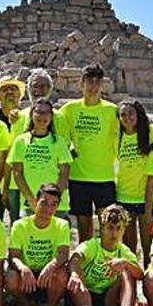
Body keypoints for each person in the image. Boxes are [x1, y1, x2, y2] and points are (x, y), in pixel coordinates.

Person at [66, 204, 145, 306]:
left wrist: (125, 263)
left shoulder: (123, 251)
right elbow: (74, 260)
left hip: (107, 302)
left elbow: (140, 275)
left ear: (124, 230)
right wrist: (74, 274)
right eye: (110, 228)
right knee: (76, 273)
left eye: (118, 228)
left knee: (128, 272)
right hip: (83, 299)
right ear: (102, 228)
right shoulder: (92, 245)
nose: (114, 233)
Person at [60, 64, 119, 242]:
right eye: (89, 82)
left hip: (104, 178)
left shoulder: (112, 110)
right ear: (81, 84)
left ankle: (106, 265)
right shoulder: (68, 110)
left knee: (108, 227)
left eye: (97, 82)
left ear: (102, 85)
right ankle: (85, 266)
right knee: (84, 229)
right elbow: (60, 138)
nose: (93, 87)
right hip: (78, 178)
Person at [5, 183, 71, 306]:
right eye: (44, 203)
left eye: (54, 204)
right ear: (35, 201)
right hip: (27, 278)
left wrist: (51, 266)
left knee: (61, 274)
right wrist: (23, 268)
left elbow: (63, 254)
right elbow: (13, 256)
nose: (49, 208)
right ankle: (24, 305)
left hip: (47, 277)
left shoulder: (62, 225)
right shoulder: (19, 225)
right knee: (10, 277)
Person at [6, 98, 72, 218]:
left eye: (46, 113)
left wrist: (53, 199)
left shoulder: (59, 142)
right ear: (31, 114)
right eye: (38, 112)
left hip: (56, 206)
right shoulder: (20, 141)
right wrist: (31, 199)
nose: (42, 116)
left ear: (51, 117)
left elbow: (64, 173)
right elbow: (17, 172)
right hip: (30, 204)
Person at [115, 99, 153, 263]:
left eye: (131, 113)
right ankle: (131, 285)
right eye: (123, 115)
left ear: (138, 114)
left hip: (145, 199)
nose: (127, 118)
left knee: (149, 248)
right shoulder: (116, 137)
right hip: (124, 196)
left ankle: (149, 285)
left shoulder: (151, 133)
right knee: (129, 248)